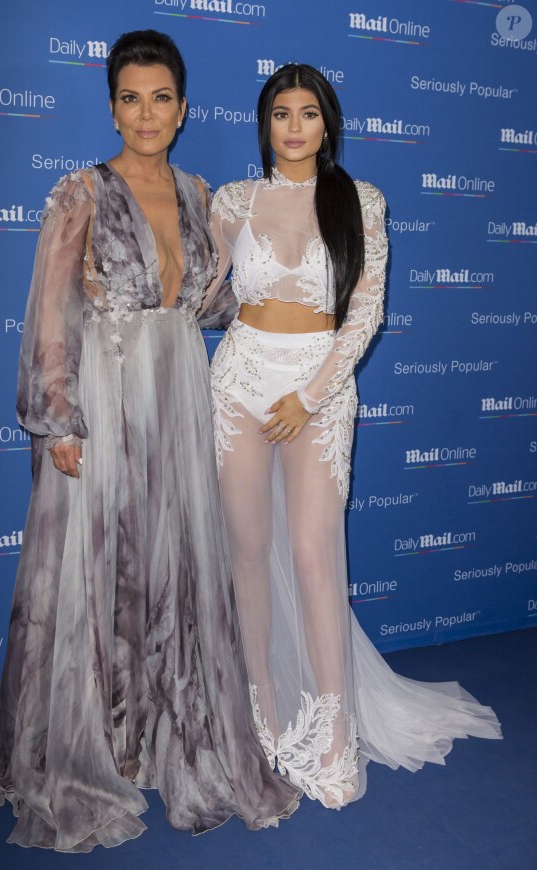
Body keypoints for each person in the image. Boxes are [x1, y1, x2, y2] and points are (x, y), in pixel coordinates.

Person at [0, 30, 299, 852]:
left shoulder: (199, 193)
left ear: (184, 109)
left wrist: (289, 306)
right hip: (103, 397)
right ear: (112, 105)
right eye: (130, 97)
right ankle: (95, 749)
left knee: (177, 569)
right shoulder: (80, 193)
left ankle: (162, 735)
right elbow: (50, 311)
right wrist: (57, 419)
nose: (145, 114)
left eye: (161, 98)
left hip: (180, 396)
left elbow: (216, 305)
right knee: (96, 571)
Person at [200, 63, 502, 809]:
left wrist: (307, 396)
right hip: (237, 379)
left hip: (321, 386)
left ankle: (332, 736)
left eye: (308, 112)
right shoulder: (231, 201)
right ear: (264, 123)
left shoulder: (362, 201)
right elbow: (209, 302)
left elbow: (364, 313)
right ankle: (264, 718)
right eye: (280, 112)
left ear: (327, 123)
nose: (295, 125)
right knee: (244, 554)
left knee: (311, 557)